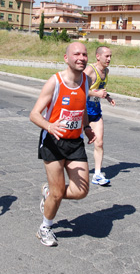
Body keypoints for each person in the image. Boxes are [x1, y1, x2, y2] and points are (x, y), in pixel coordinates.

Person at [29, 42, 96, 247]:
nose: (81, 58)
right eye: (76, 54)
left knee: (80, 191)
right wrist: (49, 126)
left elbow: (81, 107)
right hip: (53, 142)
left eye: (84, 54)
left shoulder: (86, 80)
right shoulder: (55, 82)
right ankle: (45, 227)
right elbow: (34, 114)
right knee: (58, 192)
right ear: (66, 58)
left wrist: (85, 127)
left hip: (75, 142)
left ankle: (50, 194)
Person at [83, 46, 116, 186]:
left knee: (99, 142)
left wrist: (107, 96)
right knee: (72, 144)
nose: (109, 59)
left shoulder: (106, 71)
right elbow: (78, 88)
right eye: (106, 56)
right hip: (81, 112)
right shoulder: (90, 70)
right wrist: (96, 94)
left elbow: (99, 88)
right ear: (98, 56)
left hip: (95, 111)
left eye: (110, 56)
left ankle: (97, 174)